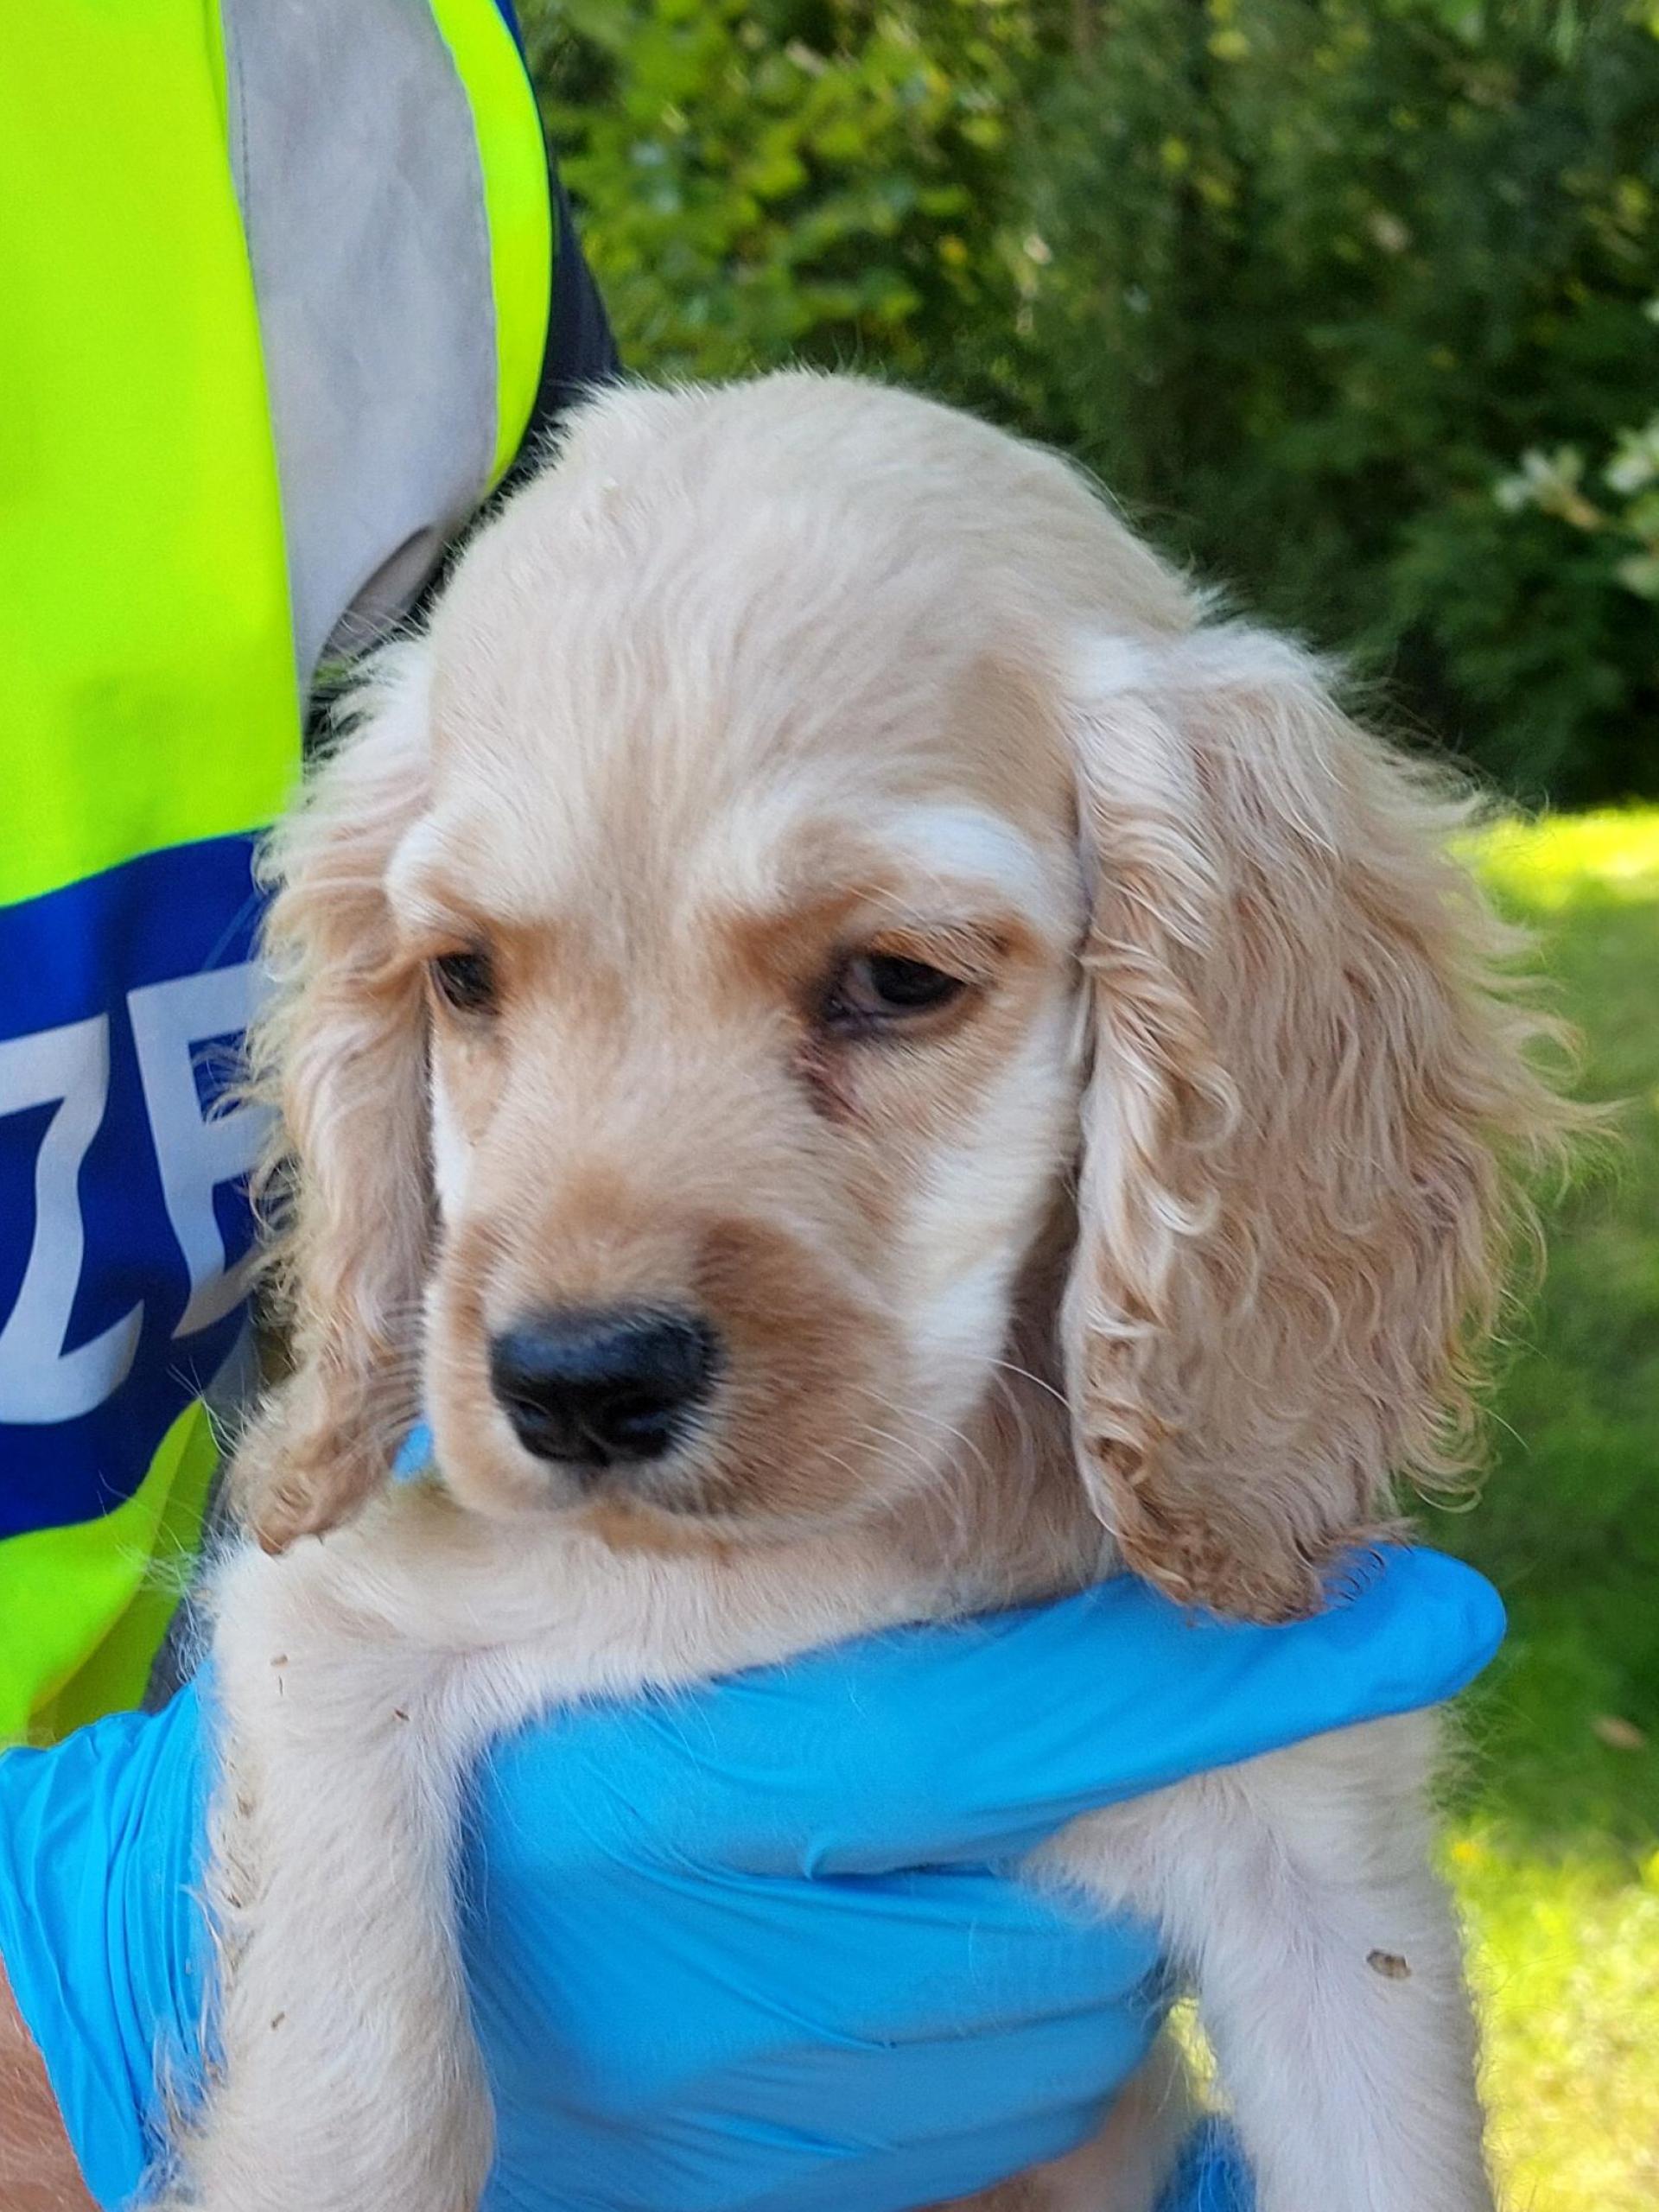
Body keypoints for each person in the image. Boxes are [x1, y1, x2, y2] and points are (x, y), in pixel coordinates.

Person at [0, 8, 1507, 2209]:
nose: (587, 1299)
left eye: (890, 983)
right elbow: (340, 1637)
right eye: (470, 977)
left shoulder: (330, 63)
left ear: (1199, 980)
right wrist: (94, 1991)